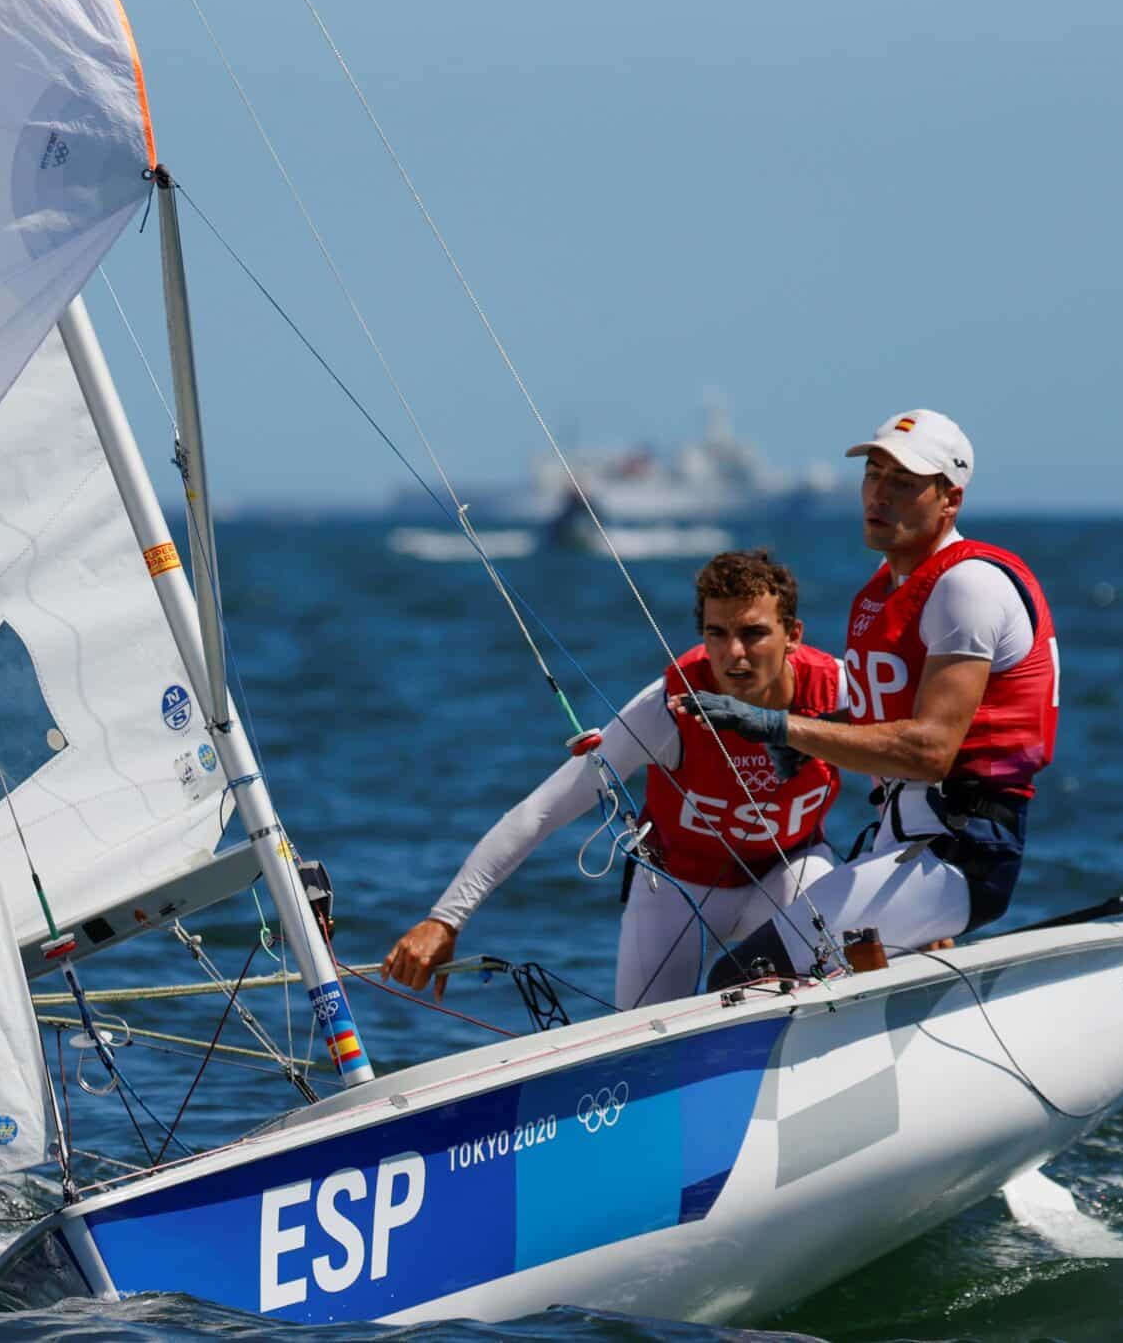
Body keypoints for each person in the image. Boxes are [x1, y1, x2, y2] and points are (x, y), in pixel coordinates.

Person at [679, 410, 1057, 982]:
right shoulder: (882, 592)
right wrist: (818, 738)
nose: (879, 495)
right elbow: (887, 716)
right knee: (819, 977)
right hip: (899, 843)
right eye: (873, 475)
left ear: (949, 500)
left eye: (903, 484)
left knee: (741, 976)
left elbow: (930, 751)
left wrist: (778, 727)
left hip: (961, 854)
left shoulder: (966, 585)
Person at [382, 550, 843, 1009]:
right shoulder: (668, 709)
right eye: (716, 634)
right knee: (645, 1036)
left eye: (753, 633)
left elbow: (908, 770)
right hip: (677, 889)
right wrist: (444, 920)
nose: (734, 653)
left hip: (789, 872)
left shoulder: (839, 692)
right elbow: (541, 811)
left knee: (834, 918)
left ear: (793, 636)